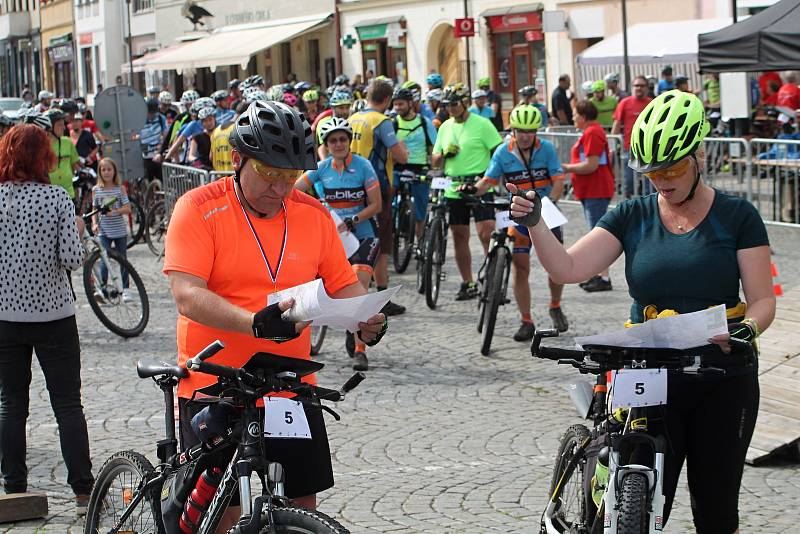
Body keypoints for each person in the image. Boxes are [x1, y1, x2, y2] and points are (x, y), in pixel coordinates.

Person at [510, 89, 774, 534]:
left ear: (699, 156)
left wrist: (746, 330)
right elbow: (569, 267)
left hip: (722, 376)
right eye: (651, 172)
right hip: (649, 375)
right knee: (634, 510)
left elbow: (763, 300)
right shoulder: (632, 215)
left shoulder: (738, 216)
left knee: (716, 512)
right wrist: (536, 223)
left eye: (671, 169)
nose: (661, 181)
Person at [163, 101, 387, 530]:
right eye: (270, 175)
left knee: (303, 508)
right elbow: (188, 294)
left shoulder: (313, 214)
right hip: (215, 378)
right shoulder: (199, 208)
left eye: (289, 177)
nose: (281, 189)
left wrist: (368, 318)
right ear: (237, 159)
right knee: (222, 514)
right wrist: (252, 322)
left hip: (289, 382)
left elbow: (342, 284)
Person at [0, 123, 93, 516]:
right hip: (53, 315)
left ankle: (15, 486)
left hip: (5, 315)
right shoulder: (56, 199)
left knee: (11, 404)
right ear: (45, 158)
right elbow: (73, 258)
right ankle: (83, 489)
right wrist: (82, 233)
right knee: (68, 404)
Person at [459, 105, 568, 339]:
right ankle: (526, 320)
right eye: (521, 131)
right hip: (519, 215)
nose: (526, 136)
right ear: (513, 130)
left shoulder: (546, 149)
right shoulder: (503, 152)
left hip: (546, 211)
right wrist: (472, 189)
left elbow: (558, 180)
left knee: (557, 268)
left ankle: (555, 305)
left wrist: (551, 203)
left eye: (531, 131)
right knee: (521, 266)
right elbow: (487, 181)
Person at [295, 117, 383, 371]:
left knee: (359, 283)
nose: (339, 144)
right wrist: (314, 210)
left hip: (364, 234)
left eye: (343, 139)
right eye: (333, 140)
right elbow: (294, 192)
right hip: (335, 238)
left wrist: (354, 219)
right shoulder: (322, 167)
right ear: (327, 144)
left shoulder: (364, 166)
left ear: (349, 141)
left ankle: (359, 350)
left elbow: (376, 204)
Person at [432, 83, 503, 300]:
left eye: (454, 104)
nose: (450, 109)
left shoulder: (482, 124)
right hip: (454, 188)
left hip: (479, 185)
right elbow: (435, 160)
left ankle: (493, 278)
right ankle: (468, 282)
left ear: (464, 103)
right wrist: (444, 152)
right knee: (459, 237)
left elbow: (499, 152)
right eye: (447, 105)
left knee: (486, 232)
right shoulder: (445, 127)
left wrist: (493, 178)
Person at [349, 78, 409, 316]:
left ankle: (355, 287)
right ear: (387, 100)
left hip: (351, 184)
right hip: (376, 184)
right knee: (382, 240)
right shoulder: (382, 121)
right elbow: (400, 155)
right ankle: (382, 294)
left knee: (356, 239)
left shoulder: (353, 118)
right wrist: (403, 148)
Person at [561, 100, 615, 292]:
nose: (573, 117)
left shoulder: (592, 132)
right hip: (592, 190)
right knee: (595, 234)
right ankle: (598, 275)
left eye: (575, 114)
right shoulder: (591, 132)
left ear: (583, 117)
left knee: (597, 237)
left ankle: (604, 277)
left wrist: (566, 168)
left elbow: (591, 165)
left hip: (596, 190)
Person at [392, 86, 437, 240]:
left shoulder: (424, 122)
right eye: (395, 104)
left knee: (420, 209)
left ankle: (420, 242)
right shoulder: (393, 123)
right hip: (398, 167)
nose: (398, 107)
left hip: (420, 168)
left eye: (401, 104)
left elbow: (434, 147)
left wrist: (433, 167)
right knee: (391, 203)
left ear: (410, 104)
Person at [92, 158, 133, 302]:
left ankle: (126, 288)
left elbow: (128, 208)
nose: (107, 172)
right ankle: (103, 289)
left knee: (122, 259)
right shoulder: (96, 190)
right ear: (100, 172)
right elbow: (95, 210)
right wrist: (94, 223)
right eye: (103, 170)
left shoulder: (119, 189)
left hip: (119, 231)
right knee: (104, 259)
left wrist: (115, 212)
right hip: (104, 231)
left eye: (109, 169)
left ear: (114, 171)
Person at [612, 75, 653, 198]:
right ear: (632, 87)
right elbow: (617, 124)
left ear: (647, 88)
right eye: (636, 85)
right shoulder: (625, 103)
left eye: (642, 85)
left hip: (648, 149)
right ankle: (628, 207)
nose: (639, 88)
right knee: (628, 181)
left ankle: (648, 206)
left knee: (649, 183)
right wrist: (612, 145)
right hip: (629, 148)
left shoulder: (652, 103)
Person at [45, 109, 80, 200]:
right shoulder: (41, 146)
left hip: (68, 193)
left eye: (63, 124)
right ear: (50, 127)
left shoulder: (68, 142)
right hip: (48, 195)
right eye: (60, 124)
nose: (64, 128)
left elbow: (74, 165)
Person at [211, 101, 246, 173]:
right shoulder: (239, 129)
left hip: (218, 175)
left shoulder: (216, 130)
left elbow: (211, 157)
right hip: (234, 177)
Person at [139, 98, 167, 182]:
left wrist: (162, 147)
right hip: (145, 154)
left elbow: (166, 134)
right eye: (149, 113)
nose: (151, 115)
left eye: (153, 113)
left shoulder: (161, 118)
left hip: (157, 153)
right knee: (148, 178)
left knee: (161, 178)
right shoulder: (140, 120)